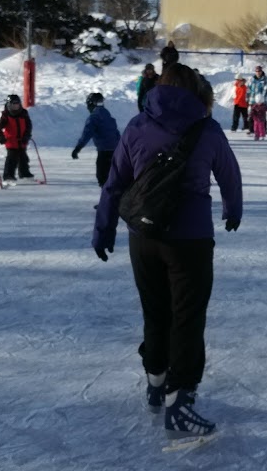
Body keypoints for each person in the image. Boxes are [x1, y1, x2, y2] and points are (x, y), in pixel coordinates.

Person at [92, 62, 243, 441]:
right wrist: (232, 209)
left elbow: (115, 183)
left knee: (155, 312)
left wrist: (104, 229)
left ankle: (156, 384)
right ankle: (180, 399)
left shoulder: (137, 126)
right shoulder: (207, 129)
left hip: (144, 237)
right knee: (187, 317)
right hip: (191, 240)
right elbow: (229, 173)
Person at [72, 93, 121, 187]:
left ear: (91, 104)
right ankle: (112, 199)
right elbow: (116, 133)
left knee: (102, 177)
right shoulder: (108, 116)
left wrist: (78, 148)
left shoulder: (94, 117)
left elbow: (87, 134)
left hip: (104, 151)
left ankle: (107, 200)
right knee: (111, 177)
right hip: (115, 150)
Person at [0, 94, 34, 185]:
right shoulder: (6, 115)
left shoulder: (23, 113)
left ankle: (24, 173)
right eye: (13, 104)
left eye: (17, 104)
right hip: (11, 141)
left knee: (23, 158)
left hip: (22, 140)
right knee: (11, 159)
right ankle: (8, 176)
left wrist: (27, 135)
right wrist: (1, 137)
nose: (16, 106)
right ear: (9, 105)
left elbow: (29, 125)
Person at [247, 65, 267, 134]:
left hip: (261, 101)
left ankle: (264, 130)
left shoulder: (265, 80)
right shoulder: (252, 79)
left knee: (262, 116)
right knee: (252, 114)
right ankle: (251, 129)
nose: (258, 72)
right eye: (256, 71)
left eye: (259, 71)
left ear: (261, 71)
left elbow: (266, 90)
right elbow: (248, 89)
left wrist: (261, 98)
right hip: (252, 100)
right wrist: (247, 98)